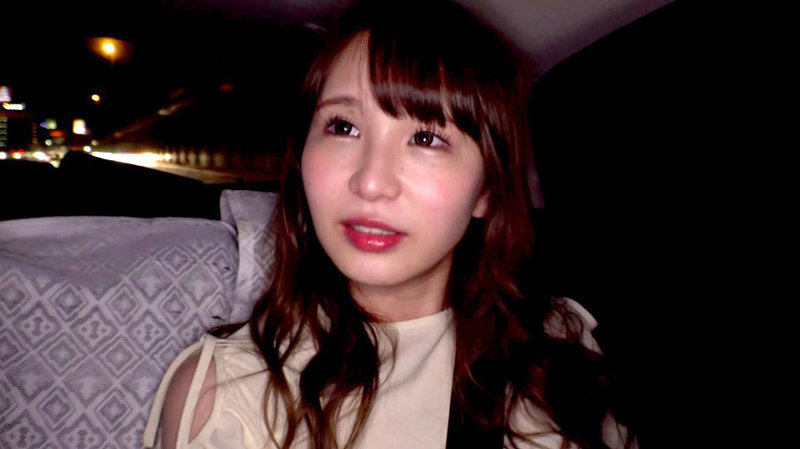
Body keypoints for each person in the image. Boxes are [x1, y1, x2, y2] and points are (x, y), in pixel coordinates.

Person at [144, 1, 636, 448]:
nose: (371, 182)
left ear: (486, 189)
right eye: (343, 127)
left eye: (426, 138)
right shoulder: (218, 393)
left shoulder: (559, 350)